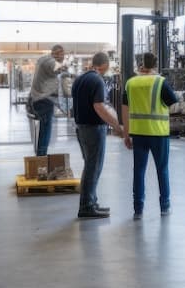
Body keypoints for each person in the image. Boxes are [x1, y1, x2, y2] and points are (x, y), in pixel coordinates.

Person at [121, 52, 178, 219]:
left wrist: (126, 134)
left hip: (138, 133)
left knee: (138, 171)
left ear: (141, 64)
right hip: (158, 133)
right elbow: (174, 105)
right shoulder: (160, 82)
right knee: (162, 170)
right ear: (155, 65)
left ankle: (138, 210)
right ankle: (164, 207)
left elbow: (125, 109)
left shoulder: (130, 83)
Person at [71, 52, 124, 220]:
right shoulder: (97, 80)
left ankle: (91, 202)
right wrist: (117, 126)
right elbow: (100, 107)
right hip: (93, 129)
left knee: (90, 166)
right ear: (105, 65)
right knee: (93, 167)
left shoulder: (80, 79)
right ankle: (87, 206)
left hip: (81, 127)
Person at [29, 45, 67, 156]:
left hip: (37, 99)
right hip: (44, 100)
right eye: (62, 55)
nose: (63, 57)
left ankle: (40, 158)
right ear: (57, 53)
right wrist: (65, 67)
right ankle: (41, 159)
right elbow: (58, 68)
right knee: (45, 132)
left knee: (43, 131)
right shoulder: (50, 61)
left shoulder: (43, 59)